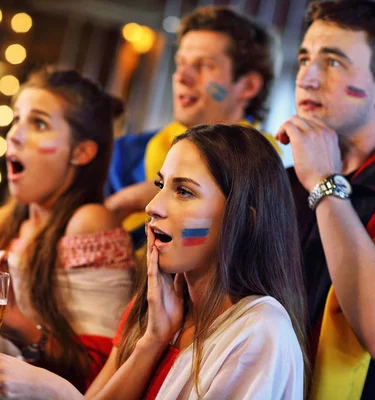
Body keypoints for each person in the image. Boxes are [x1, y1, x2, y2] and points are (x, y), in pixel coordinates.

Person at [0, 124, 307, 399]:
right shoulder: (161, 306)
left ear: (246, 219)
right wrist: (153, 340)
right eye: (161, 186)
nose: (153, 207)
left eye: (184, 191)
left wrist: (55, 393)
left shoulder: (260, 332)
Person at [0, 67, 136, 392]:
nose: (15, 134)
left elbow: (101, 375)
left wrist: (14, 320)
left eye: (39, 123)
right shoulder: (2, 223)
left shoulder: (88, 223)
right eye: (16, 118)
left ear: (82, 152)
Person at [275, 1, 375, 398]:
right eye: (305, 58)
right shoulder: (283, 184)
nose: (307, 78)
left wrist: (324, 181)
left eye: (334, 62)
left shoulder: (315, 180)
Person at [105, 6, 281, 247]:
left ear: (248, 86)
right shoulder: (123, 154)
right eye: (181, 63)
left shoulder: (269, 178)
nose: (182, 76)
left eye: (205, 66)